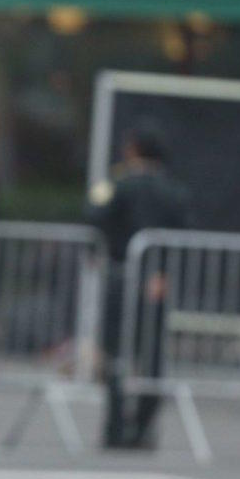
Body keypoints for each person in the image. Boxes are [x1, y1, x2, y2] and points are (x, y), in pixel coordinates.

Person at [86, 117, 191, 449]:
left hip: (121, 277)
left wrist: (96, 254)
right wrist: (165, 274)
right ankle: (144, 427)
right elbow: (185, 237)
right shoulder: (175, 191)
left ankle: (116, 428)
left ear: (133, 150)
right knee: (152, 356)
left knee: (116, 353)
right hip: (157, 282)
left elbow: (94, 218)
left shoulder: (120, 185)